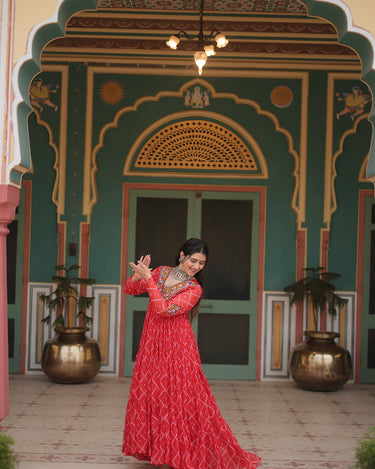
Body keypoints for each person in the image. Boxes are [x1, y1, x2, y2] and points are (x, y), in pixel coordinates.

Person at [122, 238, 261, 469]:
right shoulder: (161, 272)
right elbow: (130, 289)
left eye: (202, 263)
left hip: (178, 346)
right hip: (152, 343)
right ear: (182, 256)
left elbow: (163, 309)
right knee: (155, 393)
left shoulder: (194, 289)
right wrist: (140, 274)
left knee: (181, 397)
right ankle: (161, 451)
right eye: (193, 260)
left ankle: (183, 452)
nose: (196, 266)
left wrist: (148, 279)